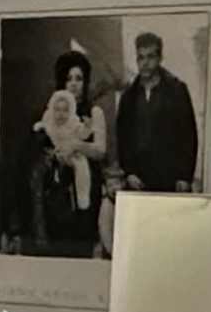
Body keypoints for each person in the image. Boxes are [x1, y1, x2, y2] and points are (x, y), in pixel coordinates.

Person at [36, 47, 107, 257]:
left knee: (82, 244)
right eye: (69, 79)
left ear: (85, 82)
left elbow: (101, 150)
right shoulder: (54, 112)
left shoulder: (94, 112)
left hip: (87, 184)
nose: (74, 83)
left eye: (79, 78)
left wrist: (76, 146)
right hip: (59, 188)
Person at [113, 29, 201, 195]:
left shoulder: (176, 91)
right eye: (141, 57)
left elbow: (188, 135)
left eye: (150, 57)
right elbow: (122, 137)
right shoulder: (129, 97)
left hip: (170, 179)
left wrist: (184, 176)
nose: (145, 63)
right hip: (138, 181)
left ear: (160, 58)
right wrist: (129, 172)